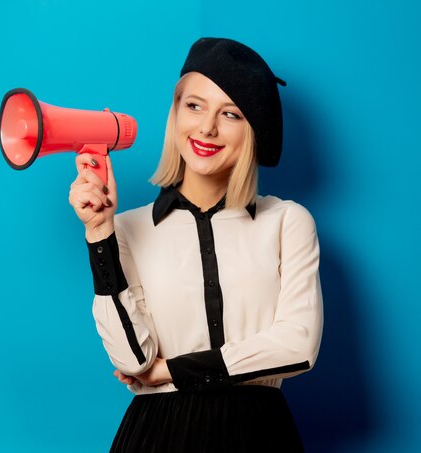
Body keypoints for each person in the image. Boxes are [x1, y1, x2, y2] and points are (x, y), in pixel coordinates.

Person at [69, 37, 323, 452]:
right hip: (158, 435)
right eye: (194, 105)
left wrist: (170, 370)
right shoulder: (127, 228)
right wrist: (99, 232)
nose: (207, 127)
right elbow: (133, 360)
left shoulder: (287, 222)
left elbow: (298, 345)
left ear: (253, 129)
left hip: (258, 433)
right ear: (175, 112)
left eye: (230, 113)